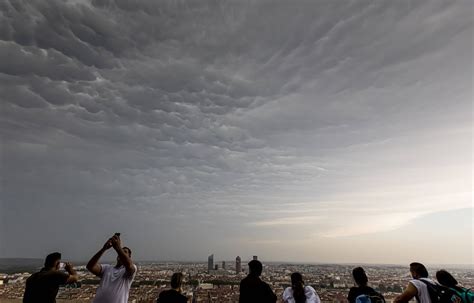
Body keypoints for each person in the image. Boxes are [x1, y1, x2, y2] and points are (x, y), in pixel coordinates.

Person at [87, 234, 137, 303]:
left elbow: (129, 265)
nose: (120, 254)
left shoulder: (129, 270)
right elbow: (90, 266)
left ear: (129, 257)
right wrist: (104, 249)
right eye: (120, 252)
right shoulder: (107, 268)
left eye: (125, 252)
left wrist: (118, 247)